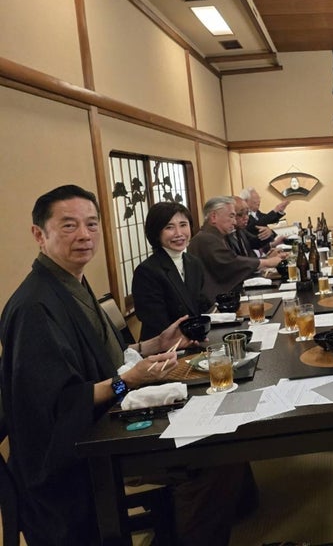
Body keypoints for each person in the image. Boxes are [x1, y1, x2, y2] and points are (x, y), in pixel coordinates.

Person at [0, 185, 246, 546]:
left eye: (91, 224)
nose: (84, 235)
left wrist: (153, 344)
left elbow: (104, 357)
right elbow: (58, 405)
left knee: (224, 437)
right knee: (215, 456)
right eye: (68, 225)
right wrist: (126, 381)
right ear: (39, 234)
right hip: (81, 453)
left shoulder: (71, 285)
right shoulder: (34, 308)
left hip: (107, 422)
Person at [132, 202, 213, 340]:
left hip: (194, 338)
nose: (179, 233)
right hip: (165, 346)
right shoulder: (147, 271)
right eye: (169, 227)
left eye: (183, 225)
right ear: (156, 232)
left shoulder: (194, 263)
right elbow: (156, 322)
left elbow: (200, 305)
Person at [188, 196, 284, 300]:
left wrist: (267, 259)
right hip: (215, 301)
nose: (234, 222)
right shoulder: (206, 239)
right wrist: (266, 262)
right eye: (231, 216)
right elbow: (231, 263)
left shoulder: (217, 236)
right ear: (214, 217)